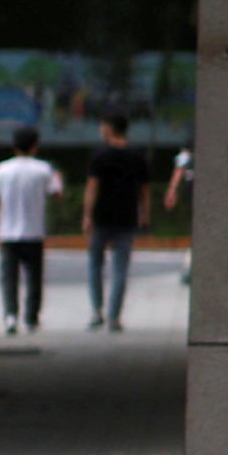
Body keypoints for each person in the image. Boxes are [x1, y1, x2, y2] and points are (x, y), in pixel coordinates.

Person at [0, 128, 57, 335]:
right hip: (34, 231)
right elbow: (55, 193)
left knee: (9, 278)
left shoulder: (2, 169)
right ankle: (31, 318)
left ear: (14, 146)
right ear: (35, 146)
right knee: (34, 277)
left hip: (8, 232)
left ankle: (10, 316)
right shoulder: (43, 169)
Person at [85, 116, 153, 331]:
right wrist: (145, 213)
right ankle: (114, 317)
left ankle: (97, 311)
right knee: (120, 268)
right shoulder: (137, 156)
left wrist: (87, 215)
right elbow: (144, 190)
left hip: (101, 218)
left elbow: (92, 187)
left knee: (95, 265)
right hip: (127, 217)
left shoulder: (99, 156)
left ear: (109, 128)